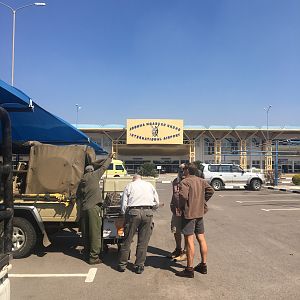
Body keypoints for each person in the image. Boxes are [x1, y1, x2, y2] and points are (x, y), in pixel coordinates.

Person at [176, 163, 214, 278]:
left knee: (189, 240)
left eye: (184, 170)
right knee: (201, 238)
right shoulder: (201, 181)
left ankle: (189, 269)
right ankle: (203, 265)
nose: (183, 172)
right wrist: (203, 202)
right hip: (199, 213)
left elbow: (183, 197)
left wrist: (181, 207)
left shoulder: (185, 182)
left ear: (187, 170)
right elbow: (211, 191)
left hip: (189, 214)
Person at [118, 174, 159, 274]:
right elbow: (157, 202)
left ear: (133, 179)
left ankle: (122, 265)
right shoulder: (149, 185)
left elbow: (124, 203)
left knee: (127, 239)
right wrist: (151, 209)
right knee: (143, 241)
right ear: (141, 178)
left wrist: (124, 214)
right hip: (148, 212)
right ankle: (139, 265)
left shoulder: (130, 185)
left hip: (133, 212)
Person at [77, 153, 113, 265]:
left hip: (84, 209)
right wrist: (109, 158)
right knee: (95, 233)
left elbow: (78, 195)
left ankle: (87, 253)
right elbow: (103, 167)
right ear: (92, 171)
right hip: (93, 209)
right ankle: (94, 257)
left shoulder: (82, 180)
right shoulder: (94, 176)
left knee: (86, 233)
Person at [168, 163, 187, 261]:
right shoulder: (175, 181)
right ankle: (178, 249)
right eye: (180, 170)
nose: (182, 172)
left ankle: (185, 252)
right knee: (176, 230)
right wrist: (172, 205)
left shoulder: (189, 181)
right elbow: (174, 195)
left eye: (183, 169)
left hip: (187, 212)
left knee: (187, 233)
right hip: (176, 211)